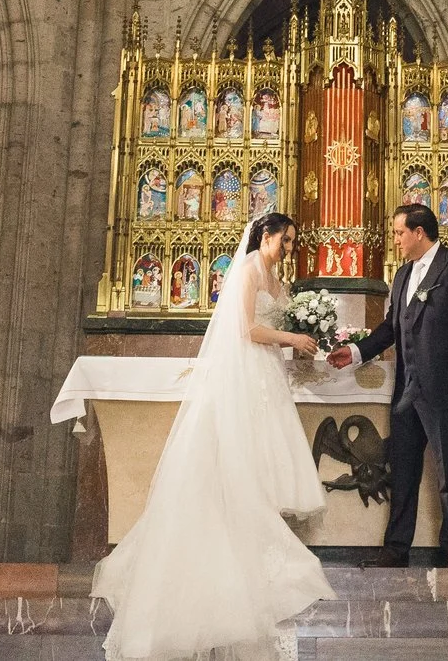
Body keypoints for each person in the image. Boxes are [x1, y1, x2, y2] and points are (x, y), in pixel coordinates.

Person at [95, 212, 332, 661]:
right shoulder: (244, 271)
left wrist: (306, 335)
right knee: (236, 459)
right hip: (243, 376)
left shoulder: (276, 276)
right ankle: (236, 545)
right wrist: (292, 337)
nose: (289, 248)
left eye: (292, 242)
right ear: (265, 235)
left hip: (267, 376)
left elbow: (275, 324)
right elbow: (246, 329)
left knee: (262, 461)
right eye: (286, 240)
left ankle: (252, 540)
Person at [328, 203, 448, 567]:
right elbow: (391, 328)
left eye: (399, 233)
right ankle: (396, 548)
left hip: (446, 387)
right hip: (407, 390)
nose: (395, 239)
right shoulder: (402, 276)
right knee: (402, 471)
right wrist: (356, 352)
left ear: (419, 232)